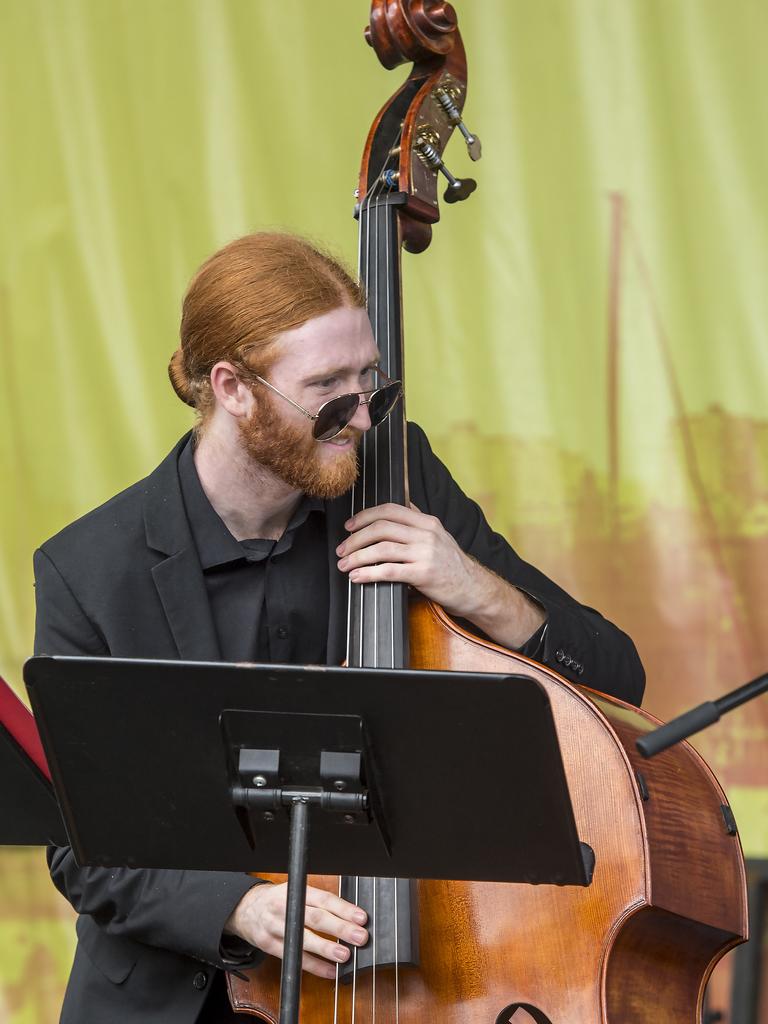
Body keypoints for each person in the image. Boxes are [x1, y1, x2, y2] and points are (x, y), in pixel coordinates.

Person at [34, 232, 645, 1023]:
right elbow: (78, 840)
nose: (362, 416)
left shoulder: (399, 471)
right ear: (233, 388)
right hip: (170, 999)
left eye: (372, 381)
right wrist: (238, 908)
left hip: (403, 986)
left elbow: (614, 680)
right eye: (328, 389)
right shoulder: (88, 570)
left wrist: (474, 586)